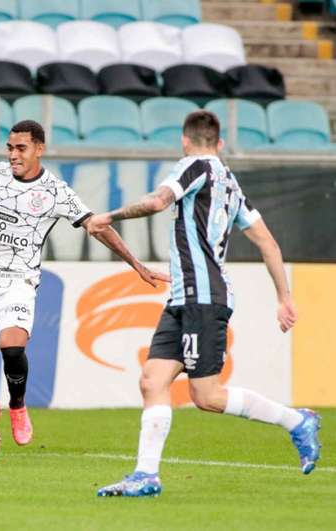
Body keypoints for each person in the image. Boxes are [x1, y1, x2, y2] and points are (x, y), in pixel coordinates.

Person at [0, 120, 168, 457]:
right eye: (9, 148)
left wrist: (137, 264)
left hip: (19, 282)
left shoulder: (55, 191)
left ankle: (18, 407)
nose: (12, 155)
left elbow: (97, 227)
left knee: (11, 345)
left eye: (20, 148)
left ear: (39, 148)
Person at [88, 111, 321, 497]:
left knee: (207, 396)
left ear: (184, 141)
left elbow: (159, 200)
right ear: (220, 143)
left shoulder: (194, 166)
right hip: (185, 298)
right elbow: (268, 242)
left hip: (203, 298)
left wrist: (109, 216)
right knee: (152, 380)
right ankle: (146, 476)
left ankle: (297, 420)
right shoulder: (231, 184)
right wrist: (284, 296)